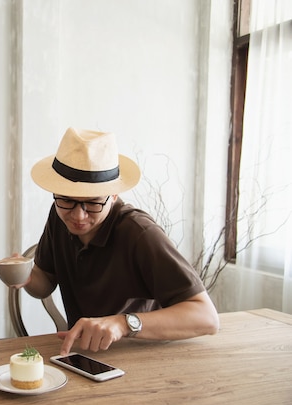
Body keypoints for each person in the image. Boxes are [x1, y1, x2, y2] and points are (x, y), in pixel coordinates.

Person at [14, 127, 219, 356]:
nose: (78, 216)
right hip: (86, 354)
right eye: (67, 200)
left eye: (92, 203)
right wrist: (25, 276)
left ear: (113, 195)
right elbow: (45, 283)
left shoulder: (140, 233)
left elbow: (207, 318)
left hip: (139, 354)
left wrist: (123, 324)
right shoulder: (59, 215)